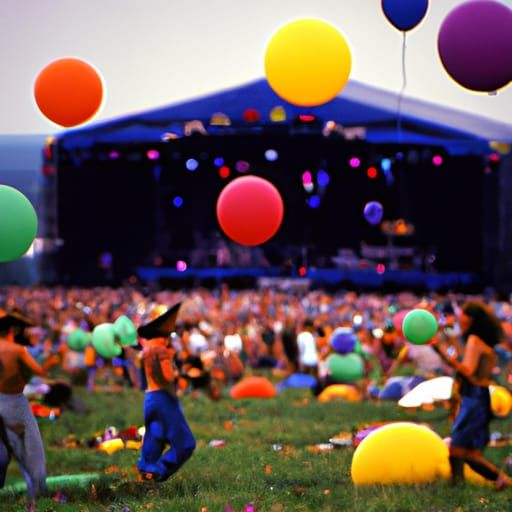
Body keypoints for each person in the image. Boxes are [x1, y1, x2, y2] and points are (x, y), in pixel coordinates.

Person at [433, 301, 512, 491]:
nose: (460, 317)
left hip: (475, 399)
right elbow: (465, 358)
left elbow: (468, 370)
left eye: (464, 315)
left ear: (472, 319)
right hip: (477, 397)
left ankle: (499, 480)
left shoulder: (475, 340)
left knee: (462, 451)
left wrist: (442, 353)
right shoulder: (479, 341)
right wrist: (448, 341)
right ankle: (460, 486)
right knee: (464, 452)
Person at [137, 303, 196, 481]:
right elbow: (168, 377)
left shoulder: (148, 348)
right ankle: (159, 471)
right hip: (164, 398)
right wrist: (176, 372)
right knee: (185, 443)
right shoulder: (161, 349)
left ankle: (146, 470)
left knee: (156, 435)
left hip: (150, 398)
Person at [0, 312, 50, 512]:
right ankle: (37, 498)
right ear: (13, 330)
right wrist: (49, 359)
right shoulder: (16, 349)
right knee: (30, 449)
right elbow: (39, 371)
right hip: (13, 403)